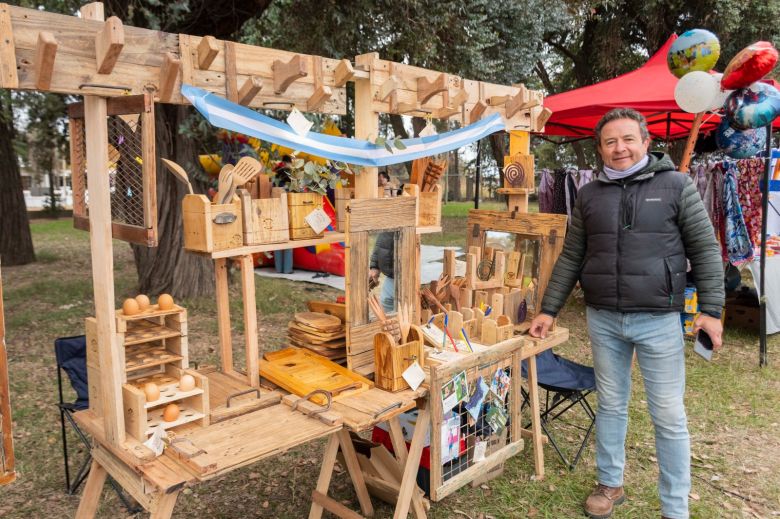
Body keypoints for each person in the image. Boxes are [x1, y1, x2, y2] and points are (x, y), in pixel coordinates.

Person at [529, 108, 724, 519]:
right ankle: (609, 483)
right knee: (612, 403)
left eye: (628, 139)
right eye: (610, 141)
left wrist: (712, 310)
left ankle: (674, 507)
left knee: (668, 414)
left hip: (658, 319)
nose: (620, 148)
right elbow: (572, 255)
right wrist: (550, 309)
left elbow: (705, 249)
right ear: (599, 148)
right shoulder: (589, 194)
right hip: (603, 319)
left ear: (646, 142)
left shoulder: (676, 186)